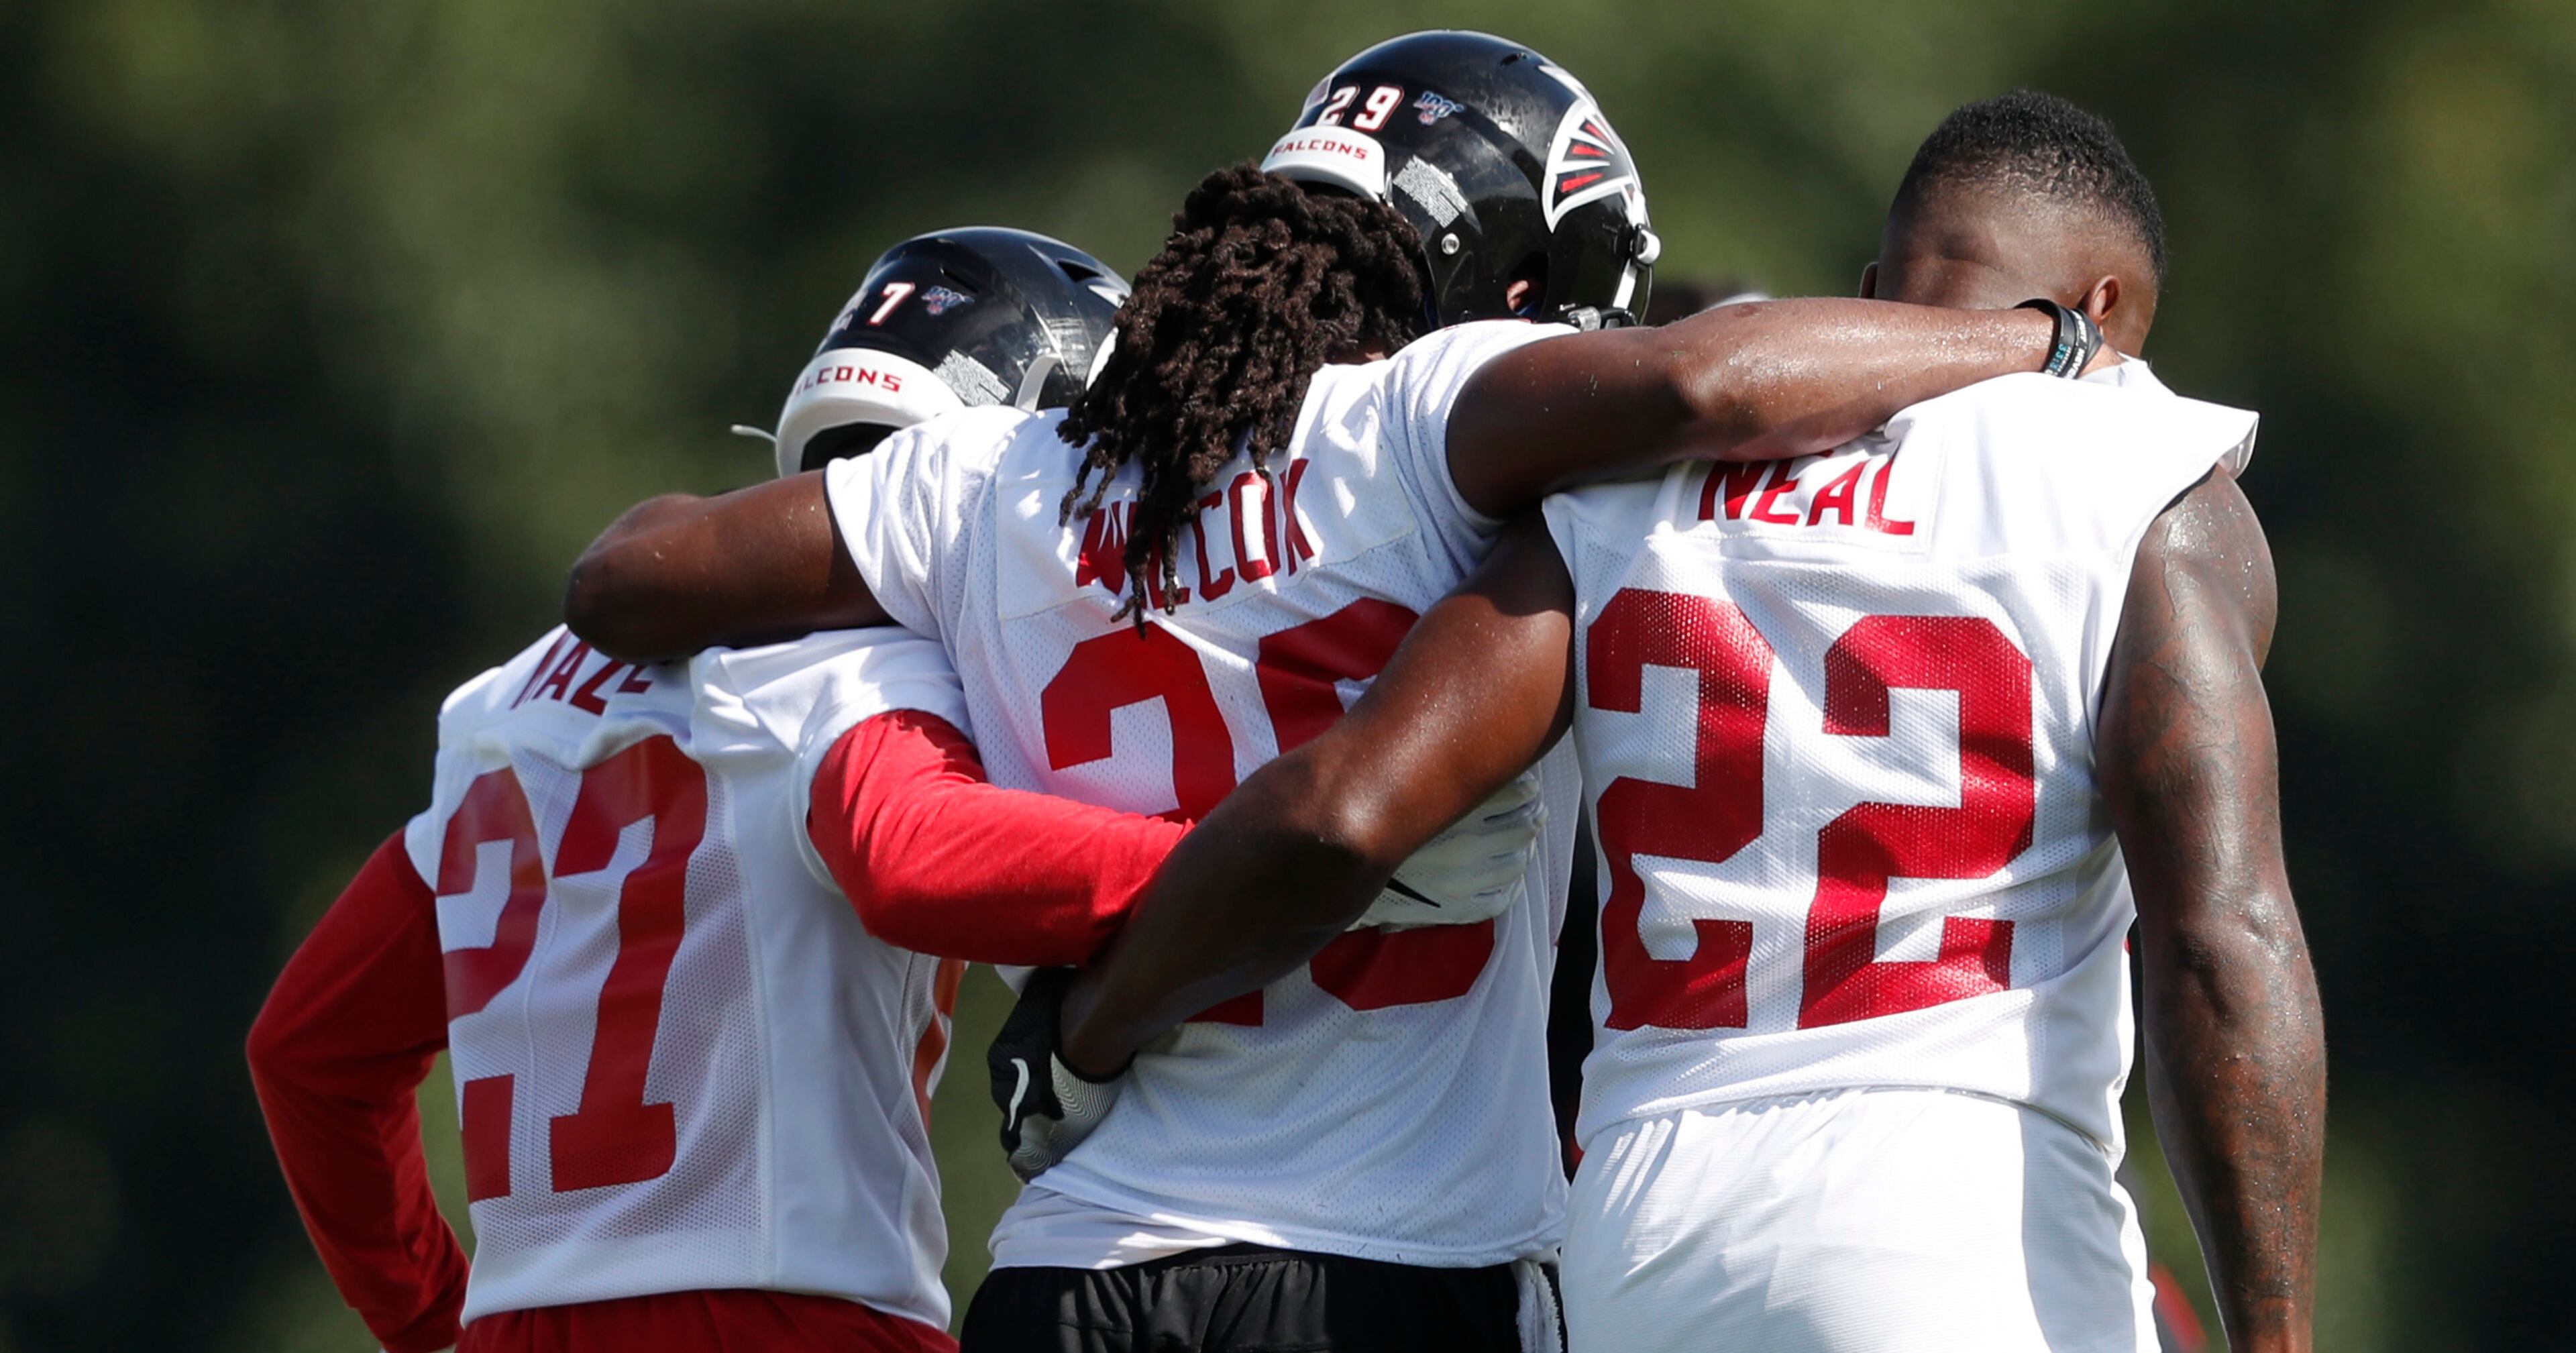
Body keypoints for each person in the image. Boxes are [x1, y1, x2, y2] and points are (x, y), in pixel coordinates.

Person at [561, 35, 2116, 1350]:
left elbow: (633, 575)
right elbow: (1704, 383)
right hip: (1398, 1268)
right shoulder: (1414, 426)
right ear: (1502, 268)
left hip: (1071, 1265)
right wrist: (2028, 340)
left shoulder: (976, 482)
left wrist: (900, 663)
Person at [1028, 92, 2324, 1353]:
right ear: (2106, 314)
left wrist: (1089, 1032)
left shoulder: (1630, 491)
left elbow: (1343, 811)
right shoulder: (2140, 467)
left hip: (1646, 1239)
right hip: (1961, 1212)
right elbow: (2224, 937)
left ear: (1873, 285)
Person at [245, 227, 1208, 1353]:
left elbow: (308, 1050)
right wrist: (1257, 853)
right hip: (794, 1315)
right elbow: (913, 854)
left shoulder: (503, 707)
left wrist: (434, 1321)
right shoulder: (863, 658)